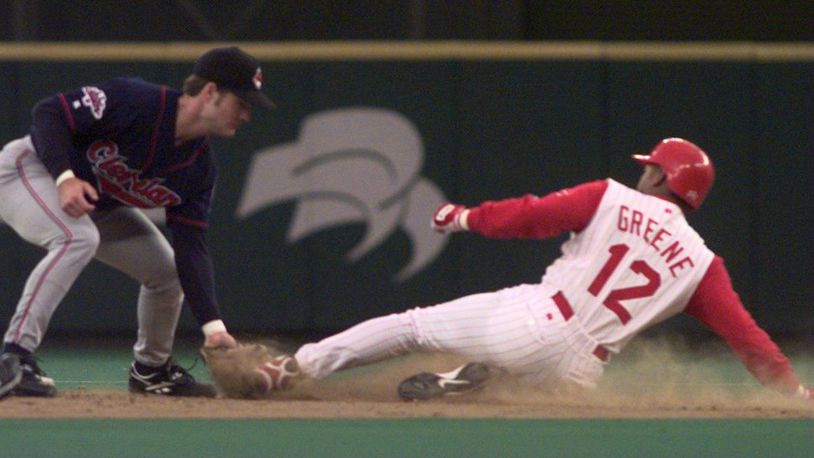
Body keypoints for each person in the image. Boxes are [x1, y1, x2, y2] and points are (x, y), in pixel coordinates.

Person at [264, 138, 813, 402]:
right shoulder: (701, 264)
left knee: (412, 325)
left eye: (650, 167)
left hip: (538, 319)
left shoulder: (612, 197)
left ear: (660, 178)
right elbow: (750, 341)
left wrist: (464, 218)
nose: (643, 172)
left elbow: (531, 216)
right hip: (580, 373)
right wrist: (793, 395)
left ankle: (293, 368)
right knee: (506, 395)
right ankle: (471, 379)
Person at [0, 46, 273, 397]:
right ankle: (14, 356)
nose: (247, 114)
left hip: (94, 202)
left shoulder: (199, 169)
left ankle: (151, 370)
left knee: (167, 272)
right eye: (242, 102)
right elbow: (49, 113)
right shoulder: (138, 100)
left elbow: (191, 248)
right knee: (78, 238)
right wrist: (64, 177)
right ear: (210, 92)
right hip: (30, 168)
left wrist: (213, 327)